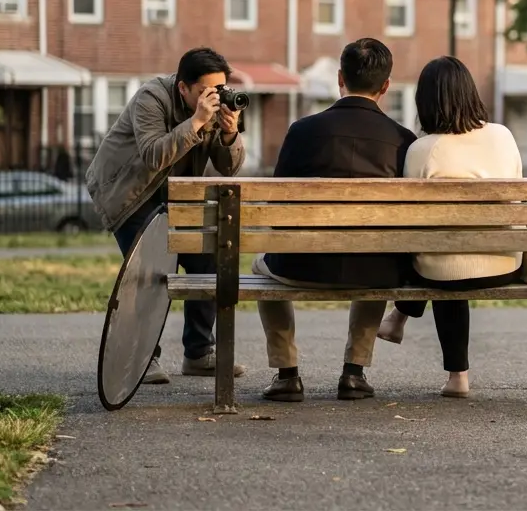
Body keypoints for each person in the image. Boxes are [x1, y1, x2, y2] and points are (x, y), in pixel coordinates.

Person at [254, 38, 417, 403]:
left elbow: (276, 203)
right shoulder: (401, 140)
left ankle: (286, 373)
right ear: (386, 85)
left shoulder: (302, 131)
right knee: (377, 250)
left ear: (340, 78)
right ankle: (354, 372)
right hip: (373, 270)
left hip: (302, 263)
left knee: (258, 263)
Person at [85, 47, 247, 385]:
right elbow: (153, 156)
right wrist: (198, 122)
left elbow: (228, 167)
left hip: (173, 197)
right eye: (206, 91)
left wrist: (230, 135)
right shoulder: (151, 98)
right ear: (183, 88)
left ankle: (199, 353)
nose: (214, 98)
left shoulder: (211, 108)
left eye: (219, 89)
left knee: (209, 258)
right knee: (152, 269)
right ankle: (143, 359)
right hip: (127, 193)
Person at [376, 56, 523, 398]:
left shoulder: (421, 150)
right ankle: (400, 323)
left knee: (444, 257)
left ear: (424, 102)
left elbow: (411, 219)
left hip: (441, 270)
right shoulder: (502, 136)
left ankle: (454, 373)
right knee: (450, 252)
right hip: (504, 263)